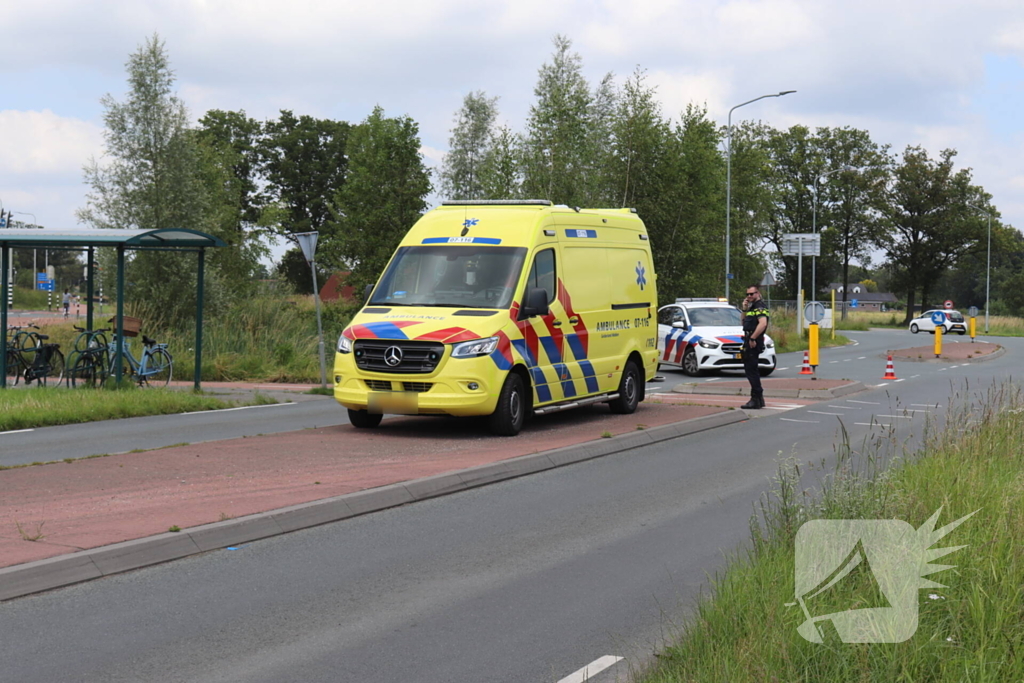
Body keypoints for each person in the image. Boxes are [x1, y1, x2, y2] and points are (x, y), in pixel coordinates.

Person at [740, 284, 770, 409]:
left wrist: (753, 338)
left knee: (752, 371)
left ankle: (756, 399)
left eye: (752, 294)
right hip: (748, 339)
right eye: (747, 294)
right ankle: (759, 399)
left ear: (758, 293)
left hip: (754, 341)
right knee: (750, 370)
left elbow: (763, 324)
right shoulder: (752, 307)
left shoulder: (760, 307)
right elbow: (743, 322)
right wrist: (744, 309)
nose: (749, 296)